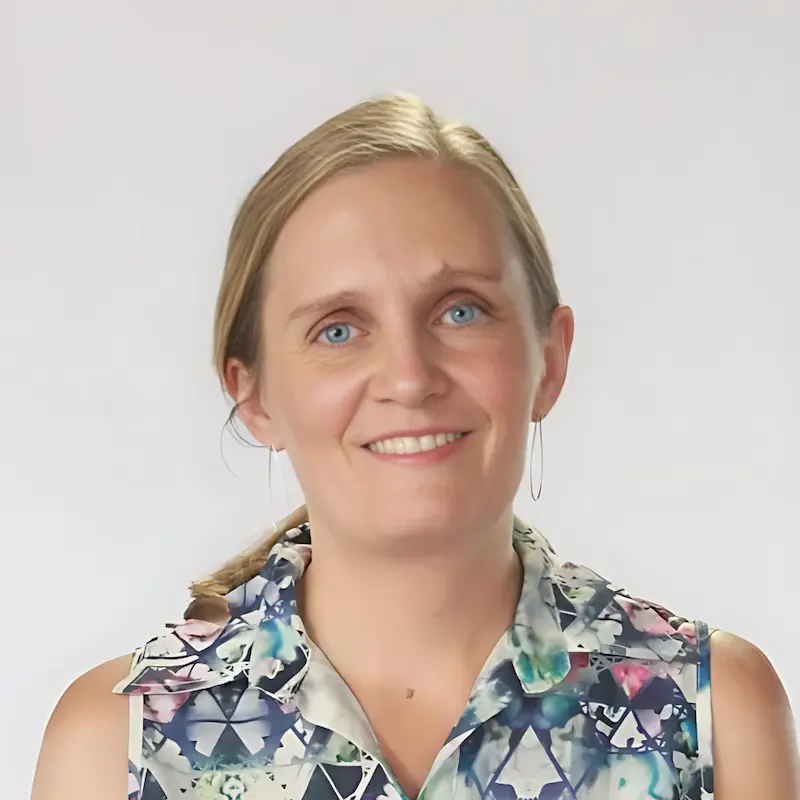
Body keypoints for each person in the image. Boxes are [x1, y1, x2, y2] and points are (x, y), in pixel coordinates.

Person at [32, 92, 797, 800]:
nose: (407, 376)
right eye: (338, 328)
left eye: (460, 312)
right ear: (255, 395)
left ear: (549, 360)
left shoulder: (709, 713)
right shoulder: (115, 746)